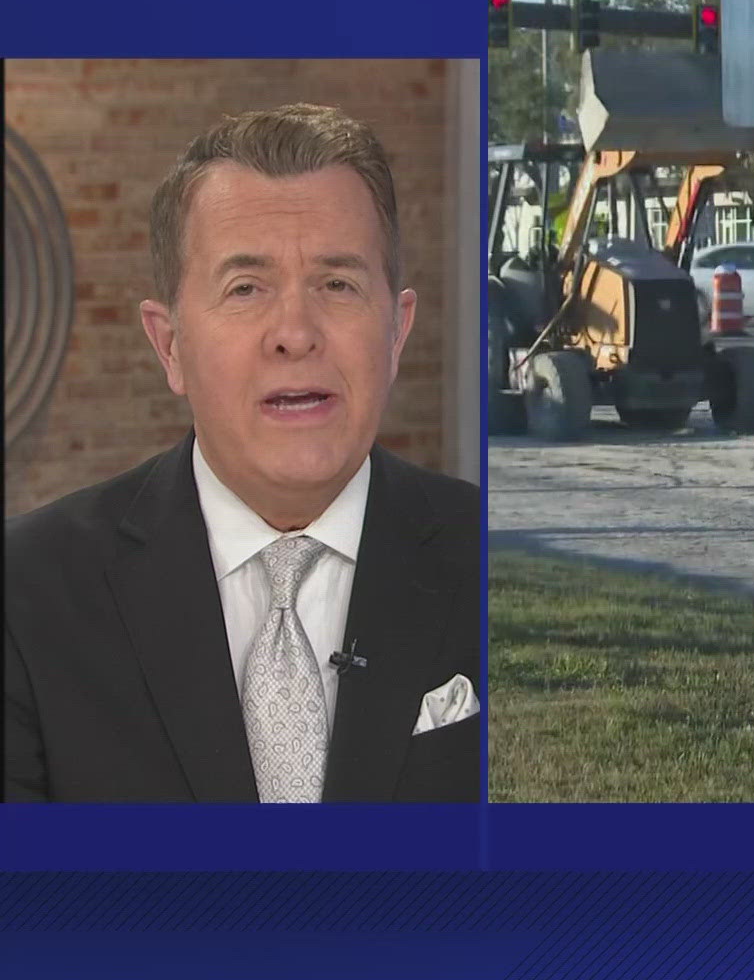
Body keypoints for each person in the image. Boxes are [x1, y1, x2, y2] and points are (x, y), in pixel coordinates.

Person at [3, 104, 481, 803]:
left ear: (397, 332)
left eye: (337, 284)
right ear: (170, 345)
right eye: (245, 288)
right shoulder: (28, 595)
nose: (294, 333)